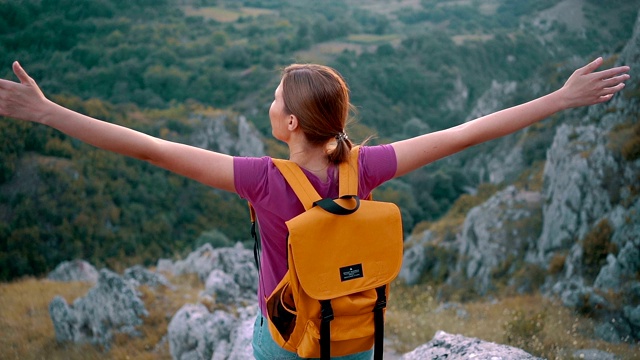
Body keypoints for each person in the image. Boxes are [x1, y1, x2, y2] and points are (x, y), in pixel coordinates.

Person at [0, 58, 630, 359]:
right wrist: (560, 98)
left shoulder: (261, 180)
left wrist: (49, 112)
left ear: (294, 122)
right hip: (357, 339)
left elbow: (148, 149)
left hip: (287, 339)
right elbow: (467, 133)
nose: (270, 102)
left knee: (259, 339)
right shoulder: (369, 166)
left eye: (276, 98)